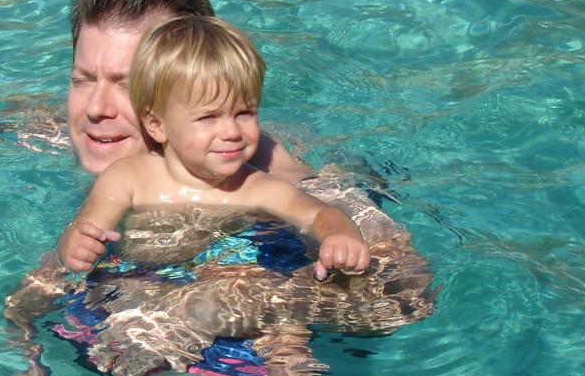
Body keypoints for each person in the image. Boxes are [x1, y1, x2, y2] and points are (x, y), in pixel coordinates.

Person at [3, 0, 433, 376]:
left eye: (127, 83)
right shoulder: (97, 138)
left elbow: (403, 301)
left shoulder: (273, 176)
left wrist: (216, 307)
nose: (94, 110)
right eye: (82, 79)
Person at [57, 14, 370, 280]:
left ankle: (286, 353)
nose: (232, 131)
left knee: (267, 297)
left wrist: (340, 236)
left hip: (226, 279)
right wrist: (75, 246)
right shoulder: (126, 178)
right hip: (142, 277)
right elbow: (85, 228)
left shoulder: (257, 188)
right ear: (157, 125)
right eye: (208, 117)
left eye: (244, 113)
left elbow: (319, 215)